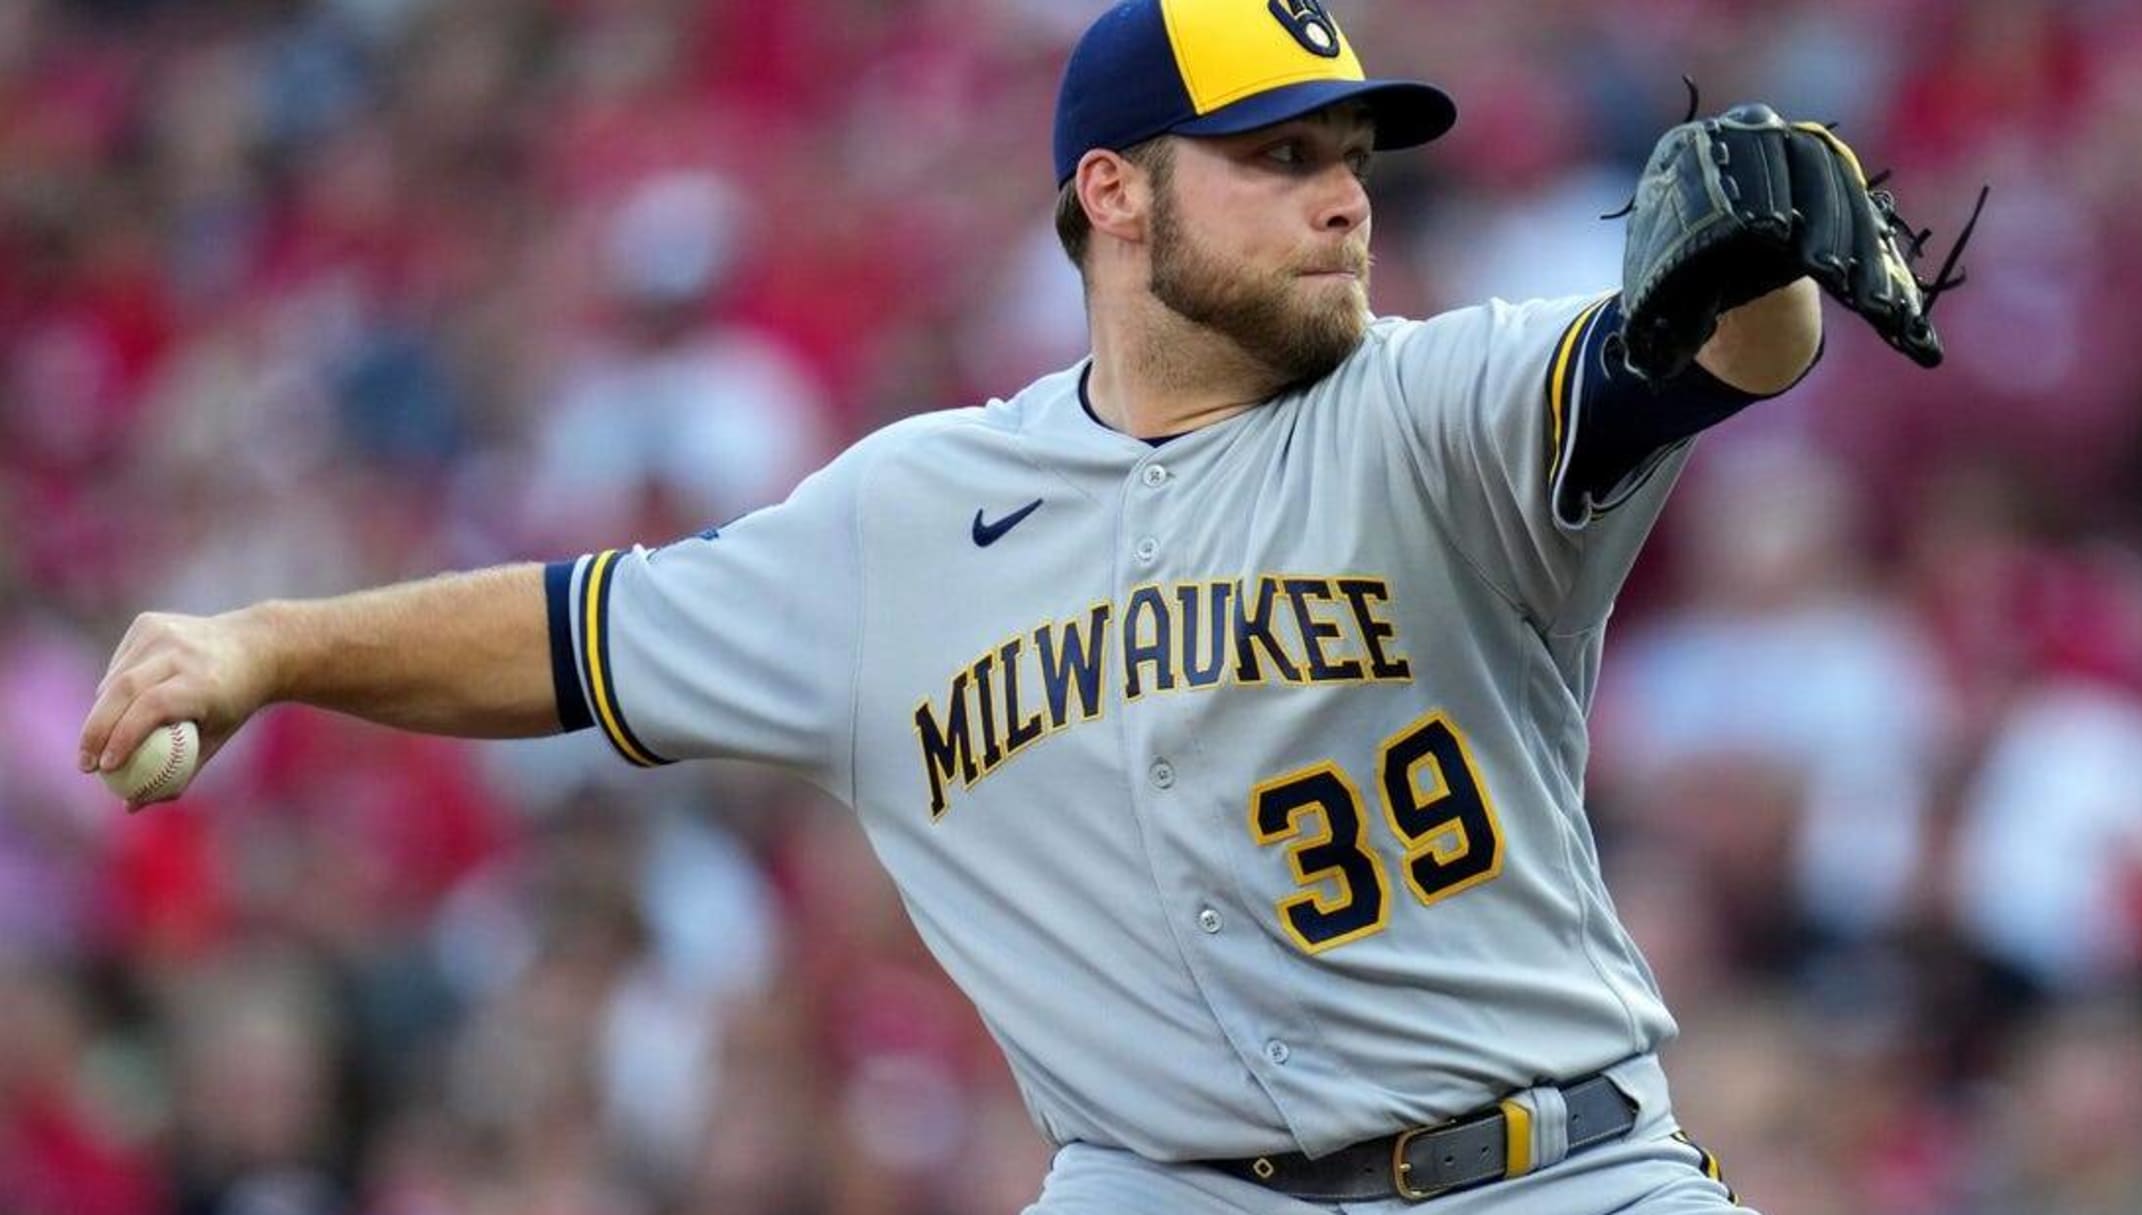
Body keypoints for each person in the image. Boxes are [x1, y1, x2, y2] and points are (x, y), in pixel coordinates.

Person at [86, 2, 1932, 1211]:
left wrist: (1758, 268)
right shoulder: (905, 517)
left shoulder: (1435, 402)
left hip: (1550, 1173)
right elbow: (576, 638)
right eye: (1280, 156)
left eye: (1352, 158)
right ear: (1113, 195)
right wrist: (267, 646)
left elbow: (1691, 355)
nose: (1341, 202)